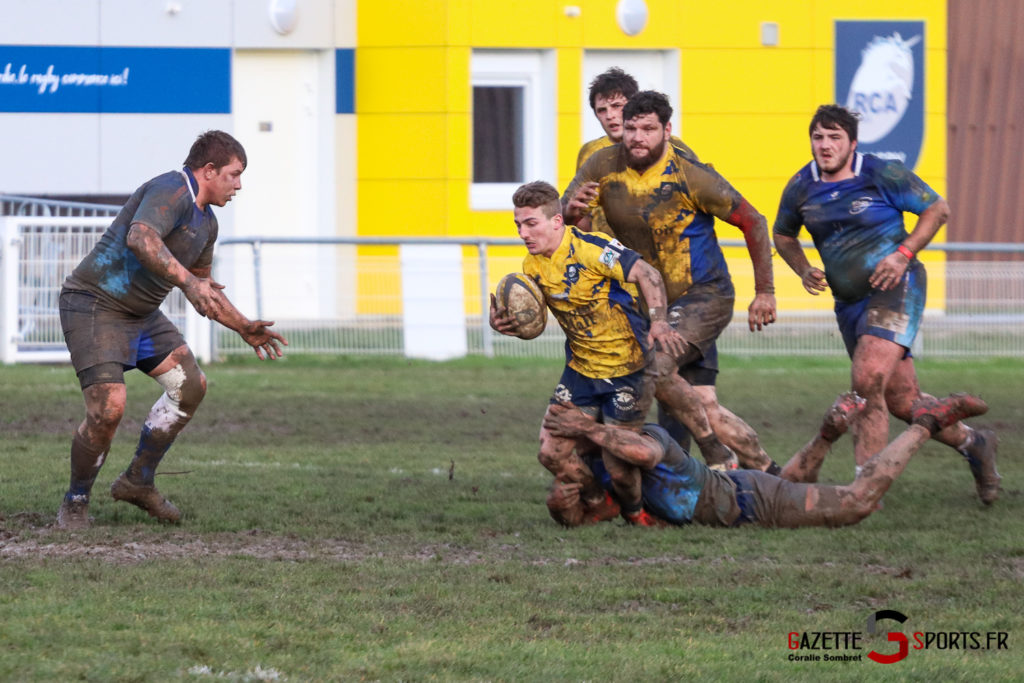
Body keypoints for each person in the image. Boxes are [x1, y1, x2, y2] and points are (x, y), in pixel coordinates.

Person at [56, 130, 287, 530]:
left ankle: (138, 482)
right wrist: (188, 282)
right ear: (209, 170)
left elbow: (203, 289)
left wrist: (244, 327)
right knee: (109, 407)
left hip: (141, 314)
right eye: (234, 174)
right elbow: (140, 238)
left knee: (192, 387)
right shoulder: (172, 188)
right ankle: (75, 502)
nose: (239, 185)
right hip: (95, 305)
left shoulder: (207, 225)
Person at [773, 104, 1000, 505]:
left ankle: (865, 487)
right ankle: (974, 443)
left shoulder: (880, 173)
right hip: (849, 304)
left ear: (852, 143)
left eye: (834, 138)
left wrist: (903, 254)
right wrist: (803, 267)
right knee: (902, 401)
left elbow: (937, 208)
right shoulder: (800, 187)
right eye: (818, 138)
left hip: (898, 287)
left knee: (866, 380)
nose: (825, 146)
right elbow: (783, 235)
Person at [562, 90, 778, 474]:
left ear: (667, 130)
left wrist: (765, 292)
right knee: (697, 400)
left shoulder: (689, 172)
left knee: (651, 368)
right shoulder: (600, 163)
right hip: (644, 301)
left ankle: (705, 456)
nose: (636, 137)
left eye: (647, 129)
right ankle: (763, 468)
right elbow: (567, 216)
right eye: (631, 128)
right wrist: (571, 210)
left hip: (702, 296)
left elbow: (754, 221)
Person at [489, 180, 688, 526]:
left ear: (556, 222)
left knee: (620, 466)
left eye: (530, 223)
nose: (523, 233)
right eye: (518, 225)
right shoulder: (532, 266)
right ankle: (599, 500)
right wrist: (507, 324)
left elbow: (647, 273)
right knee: (550, 452)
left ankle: (635, 513)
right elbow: (533, 323)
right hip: (580, 371)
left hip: (627, 370)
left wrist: (658, 321)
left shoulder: (593, 249)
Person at [544, 391, 990, 529]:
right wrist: (564, 510)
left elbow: (638, 456)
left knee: (857, 504)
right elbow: (598, 513)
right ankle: (827, 433)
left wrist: (583, 428)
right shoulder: (602, 467)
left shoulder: (646, 437)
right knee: (794, 485)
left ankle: (927, 423)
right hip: (744, 496)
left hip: (748, 498)